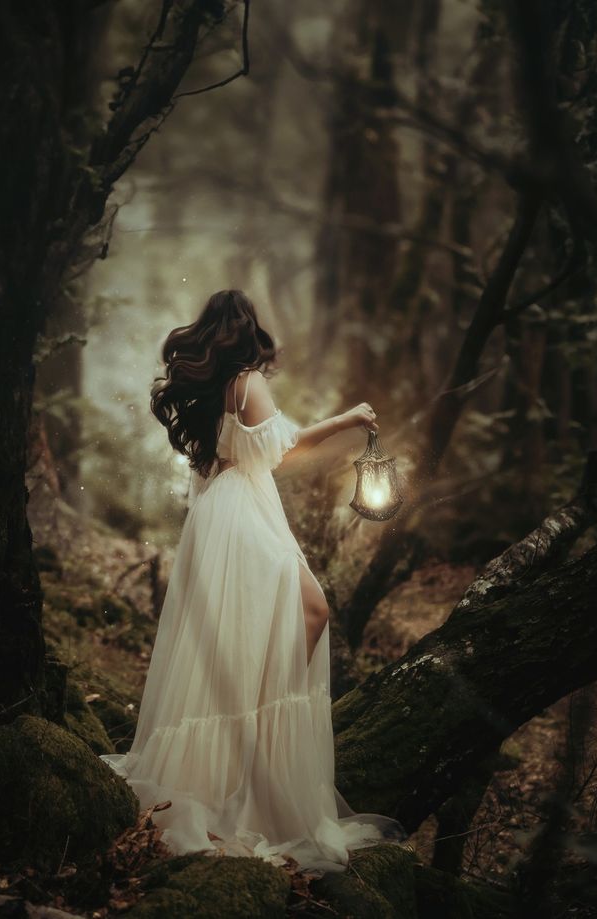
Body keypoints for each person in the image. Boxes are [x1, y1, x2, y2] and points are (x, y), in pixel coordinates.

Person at [99, 289, 405, 875]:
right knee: (310, 610)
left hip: (223, 513)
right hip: (241, 514)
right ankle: (264, 736)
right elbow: (283, 449)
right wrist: (349, 419)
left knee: (238, 635)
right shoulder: (244, 381)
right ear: (246, 333)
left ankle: (255, 733)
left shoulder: (215, 388)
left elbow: (260, 454)